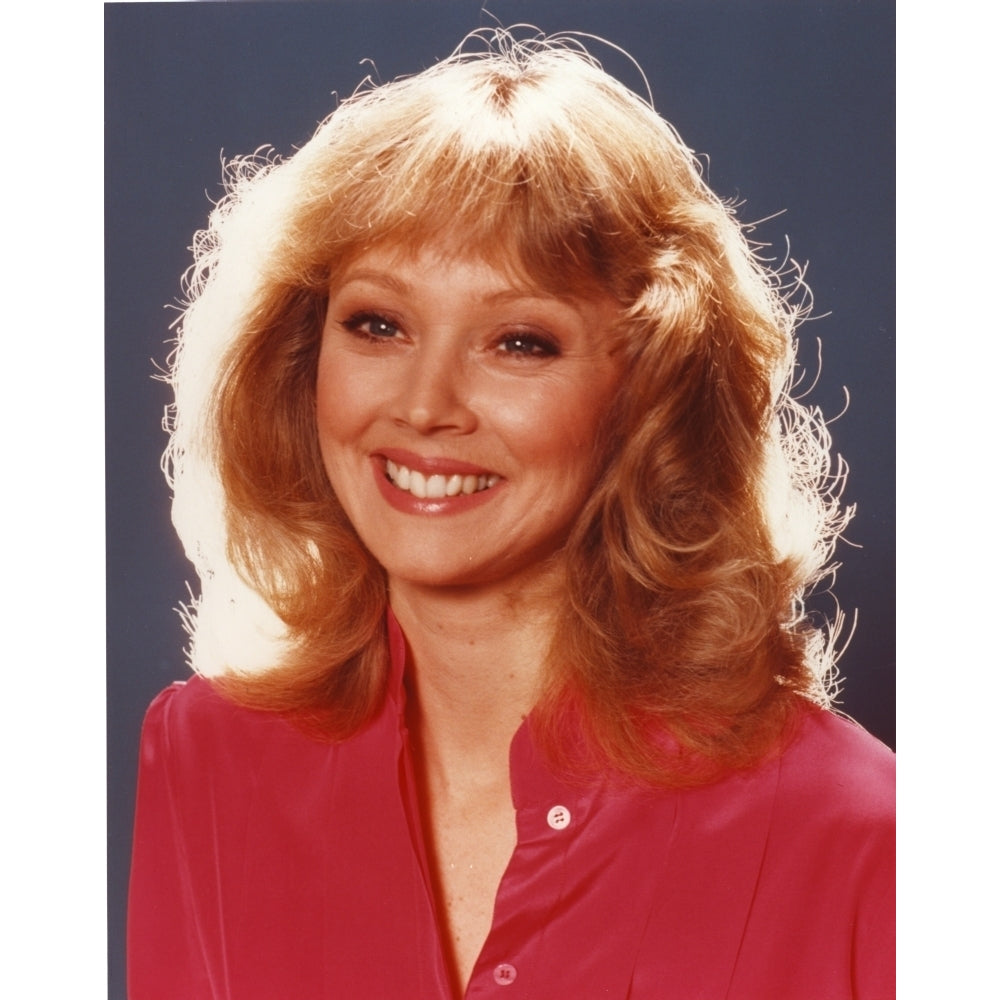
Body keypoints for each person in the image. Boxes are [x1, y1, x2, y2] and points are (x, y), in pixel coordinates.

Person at [127, 28, 894, 1000]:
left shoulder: (864, 841)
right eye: (377, 323)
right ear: (297, 359)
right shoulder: (206, 761)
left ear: (649, 392)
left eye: (519, 341)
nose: (423, 404)